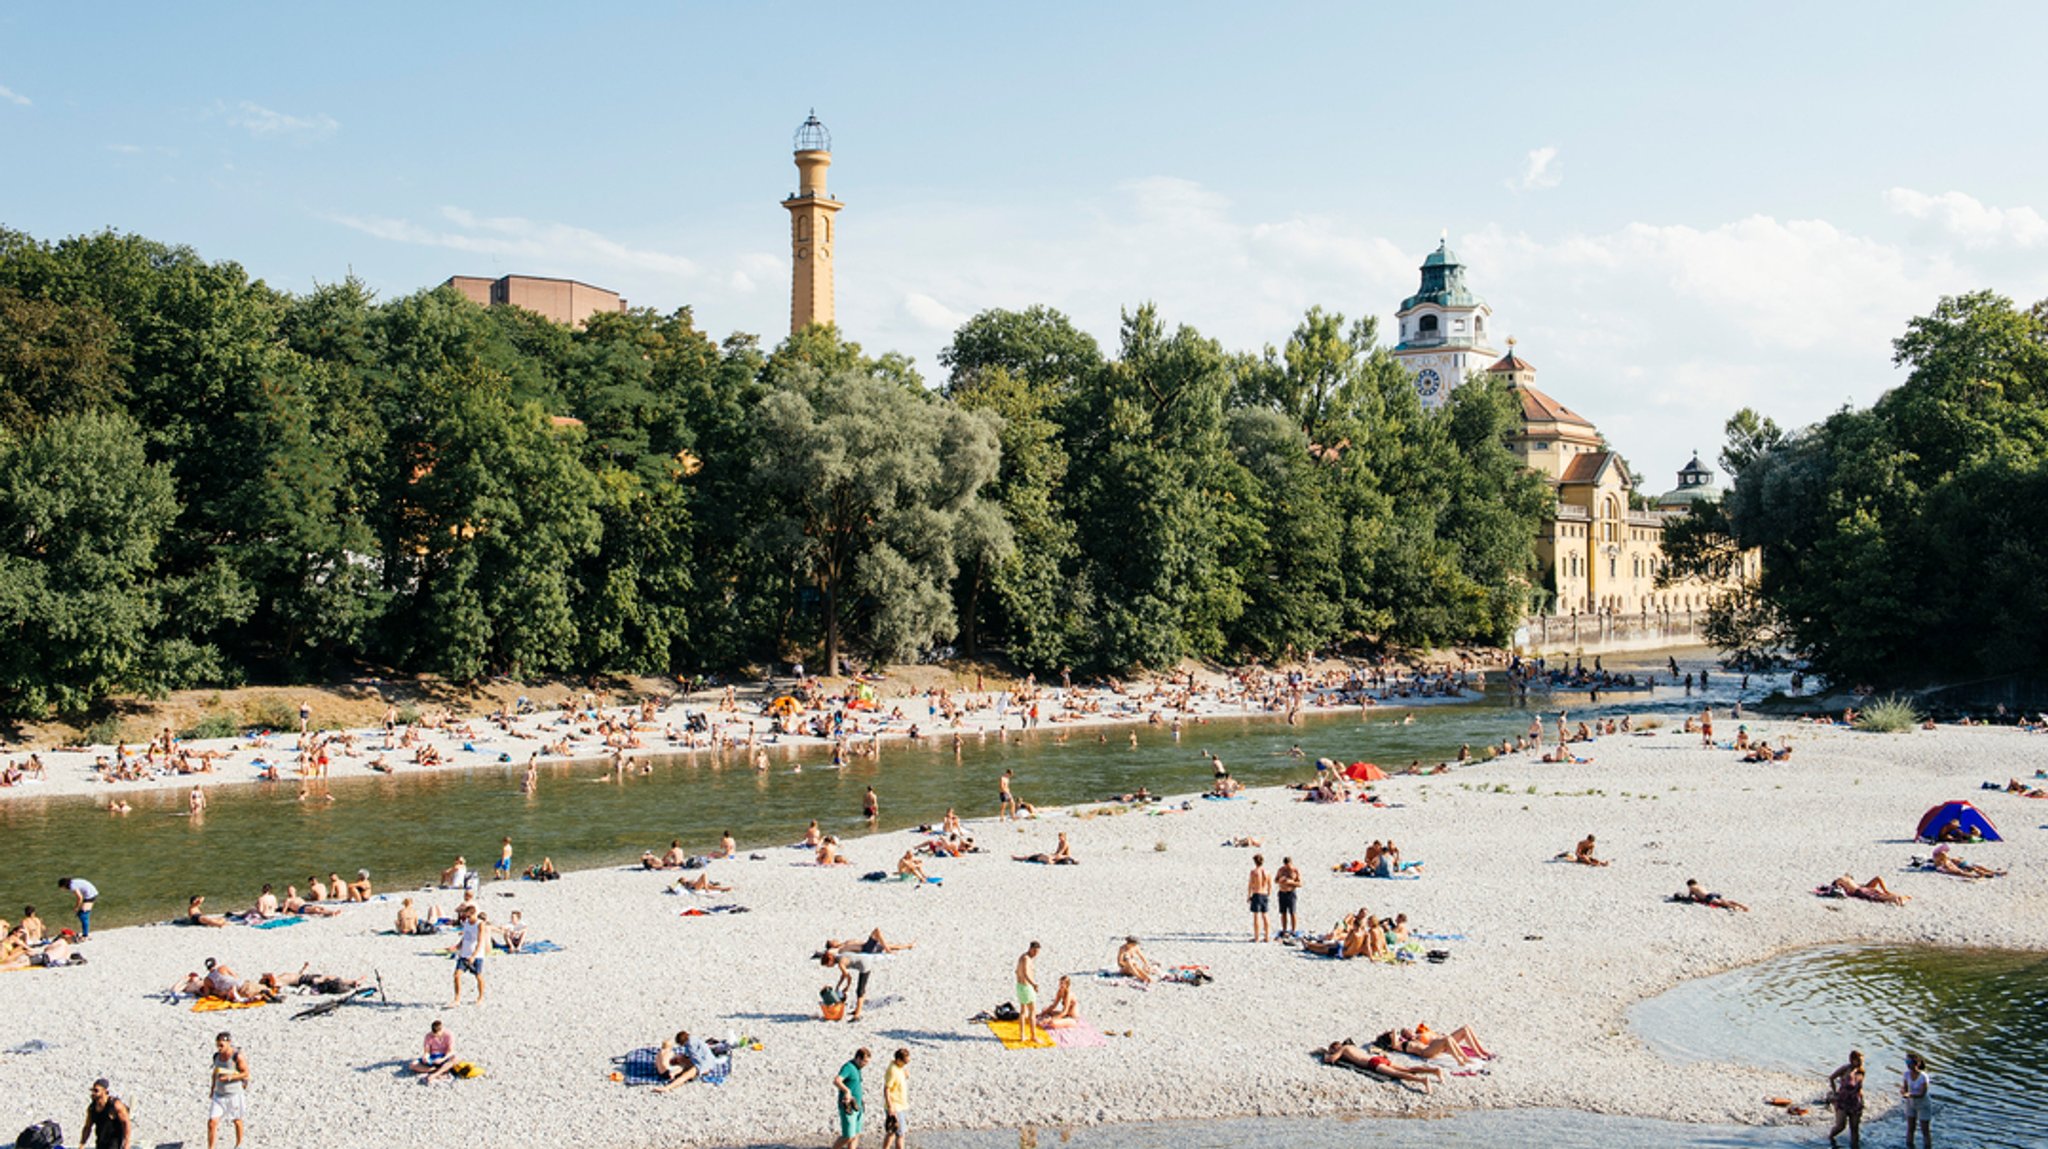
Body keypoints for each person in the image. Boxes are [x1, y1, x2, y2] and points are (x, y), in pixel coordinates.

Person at [1318, 1039, 1443, 1093]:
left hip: (1373, 1063)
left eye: (1332, 1049)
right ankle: (1434, 1071)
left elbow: (1331, 1059)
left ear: (1335, 1048)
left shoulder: (1344, 1049)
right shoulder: (1351, 1047)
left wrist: (1326, 1054)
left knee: (1397, 1074)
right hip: (1378, 1058)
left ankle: (1422, 1080)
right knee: (1407, 1068)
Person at [207, 1031, 249, 1149]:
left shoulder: (237, 1057)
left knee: (237, 1120)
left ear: (229, 1043)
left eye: (222, 1045)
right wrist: (212, 1088)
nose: (219, 1048)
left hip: (234, 1094)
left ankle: (239, 1144)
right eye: (217, 1045)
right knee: (212, 1122)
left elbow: (246, 1073)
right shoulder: (217, 1056)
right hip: (219, 1095)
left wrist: (230, 1077)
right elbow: (215, 1073)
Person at [822, 945, 876, 1022]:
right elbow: (844, 975)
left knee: (860, 991)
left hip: (865, 965)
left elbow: (849, 977)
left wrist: (847, 987)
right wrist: (838, 985)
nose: (828, 967)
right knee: (860, 990)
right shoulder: (838, 957)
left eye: (828, 965)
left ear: (830, 960)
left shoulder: (840, 963)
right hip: (864, 959)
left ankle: (857, 1016)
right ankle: (857, 1010)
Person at [1827, 1048, 1865, 1148]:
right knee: (1841, 1126)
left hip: (1855, 1102)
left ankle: (1855, 1146)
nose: (1861, 1063)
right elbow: (1831, 1078)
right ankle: (1830, 1138)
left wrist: (1862, 1101)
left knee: (1854, 1129)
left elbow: (1860, 1087)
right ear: (1853, 1060)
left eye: (1862, 1061)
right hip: (1843, 1101)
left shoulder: (1861, 1072)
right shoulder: (1845, 1069)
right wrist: (1835, 1093)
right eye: (1859, 1061)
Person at [833, 1048, 870, 1149]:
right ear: (858, 1058)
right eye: (865, 1061)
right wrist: (847, 1091)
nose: (866, 1064)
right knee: (848, 1136)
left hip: (858, 1106)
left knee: (856, 1134)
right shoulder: (848, 1067)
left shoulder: (858, 1069)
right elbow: (837, 1080)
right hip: (847, 1106)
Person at [449, 906, 485, 1007]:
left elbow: (480, 941)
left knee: (478, 976)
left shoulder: (480, 924)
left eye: (469, 916)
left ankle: (480, 997)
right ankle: (457, 999)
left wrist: (474, 955)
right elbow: (465, 937)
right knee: (457, 975)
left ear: (474, 914)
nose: (467, 919)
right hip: (464, 954)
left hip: (476, 955)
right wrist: (457, 946)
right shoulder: (466, 923)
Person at [80, 1077, 131, 1149]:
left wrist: (127, 1143)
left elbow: (126, 1123)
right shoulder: (92, 1108)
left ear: (105, 1091)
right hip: (101, 1143)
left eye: (96, 1091)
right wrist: (82, 1144)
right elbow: (87, 1127)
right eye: (92, 1090)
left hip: (115, 1144)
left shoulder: (115, 1105)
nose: (93, 1093)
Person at [409, 1019, 457, 1084]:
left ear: (442, 1030)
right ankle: (436, 1069)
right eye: (434, 1034)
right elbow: (427, 1051)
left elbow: (450, 1051)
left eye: (437, 1035)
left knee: (454, 1059)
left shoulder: (449, 1035)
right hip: (433, 1057)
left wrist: (442, 1059)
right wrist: (425, 1057)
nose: (435, 1036)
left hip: (444, 1056)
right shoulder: (428, 1036)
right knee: (412, 1065)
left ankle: (434, 1074)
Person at [1900, 1052, 1931, 1149]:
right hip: (1911, 1103)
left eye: (1909, 1062)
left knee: (1924, 1129)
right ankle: (1909, 1146)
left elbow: (1922, 1093)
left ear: (1916, 1063)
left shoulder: (1923, 1076)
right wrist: (1903, 1091)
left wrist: (1909, 1094)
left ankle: (1927, 1146)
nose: (1907, 1064)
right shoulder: (1906, 1074)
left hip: (1923, 1104)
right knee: (1910, 1128)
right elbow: (1905, 1087)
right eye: (1906, 1061)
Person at [1015, 942, 1043, 1046]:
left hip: (1020, 986)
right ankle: (1033, 1035)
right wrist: (1034, 984)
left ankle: (1022, 1035)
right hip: (1026, 987)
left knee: (1023, 1011)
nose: (1036, 954)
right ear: (1030, 949)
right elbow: (1026, 973)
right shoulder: (1026, 959)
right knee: (1032, 1011)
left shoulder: (1022, 957)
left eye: (1037, 952)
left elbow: (1016, 971)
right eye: (1035, 951)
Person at [881, 1048, 909, 1149]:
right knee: (900, 1134)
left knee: (892, 1132)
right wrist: (890, 1107)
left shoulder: (898, 1067)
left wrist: (905, 1075)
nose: (905, 1064)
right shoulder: (892, 1070)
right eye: (904, 1062)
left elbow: (898, 1081)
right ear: (898, 1059)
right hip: (895, 1106)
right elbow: (886, 1089)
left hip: (900, 1105)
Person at [1830, 874, 1910, 905]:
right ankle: (1899, 897)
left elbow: (1835, 888)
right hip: (1863, 888)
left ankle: (1896, 898)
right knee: (1880, 894)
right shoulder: (1851, 881)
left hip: (1861, 890)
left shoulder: (1840, 880)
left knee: (1878, 897)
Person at [1247, 854, 1273, 943]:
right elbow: (1270, 885)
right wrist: (1269, 893)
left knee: (1256, 916)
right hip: (1264, 894)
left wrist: (1249, 895)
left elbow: (1250, 884)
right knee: (1265, 915)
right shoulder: (1267, 872)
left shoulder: (1254, 872)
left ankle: (1257, 937)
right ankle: (1267, 936)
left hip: (1257, 893)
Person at [1681, 878, 1749, 912]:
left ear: (1689, 885)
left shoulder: (1692, 887)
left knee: (1721, 903)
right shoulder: (1699, 886)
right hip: (1712, 893)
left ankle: (1733, 907)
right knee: (1725, 901)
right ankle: (1741, 905)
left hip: (1708, 897)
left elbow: (1690, 897)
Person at [1275, 857, 1302, 938]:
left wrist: (1291, 882)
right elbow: (1275, 880)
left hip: (1291, 893)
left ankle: (1293, 930)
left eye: (1289, 866)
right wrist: (1280, 880)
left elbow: (1300, 883)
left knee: (1292, 912)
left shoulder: (1295, 871)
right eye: (1286, 866)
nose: (1287, 868)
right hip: (1282, 892)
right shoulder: (1281, 870)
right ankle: (1284, 929)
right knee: (1283, 912)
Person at [1012, 832, 1076, 865]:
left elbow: (1060, 853)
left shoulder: (1065, 843)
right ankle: (1018, 858)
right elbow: (1057, 852)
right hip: (1059, 856)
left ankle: (1018, 858)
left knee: (1049, 857)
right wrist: (1053, 854)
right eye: (1059, 837)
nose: (1059, 838)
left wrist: (1053, 856)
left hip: (1064, 856)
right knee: (1040, 856)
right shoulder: (1060, 843)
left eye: (1060, 837)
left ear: (1064, 837)